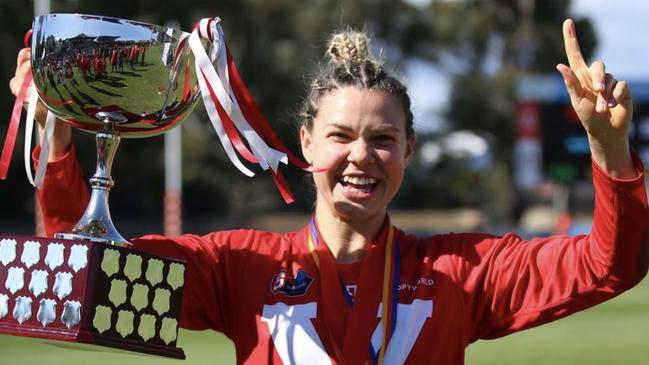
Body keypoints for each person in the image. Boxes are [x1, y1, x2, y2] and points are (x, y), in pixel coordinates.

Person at [8, 19, 649, 365]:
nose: (362, 156)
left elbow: (608, 265)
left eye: (384, 140)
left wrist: (609, 150)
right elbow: (83, 273)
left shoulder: (461, 273)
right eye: (342, 135)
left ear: (408, 152)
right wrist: (60, 133)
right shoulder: (241, 267)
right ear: (307, 143)